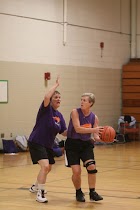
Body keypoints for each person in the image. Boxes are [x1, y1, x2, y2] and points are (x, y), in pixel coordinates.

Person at [28, 76, 67, 203]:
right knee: (45, 166)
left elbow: (64, 132)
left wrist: (80, 132)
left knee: (48, 168)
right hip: (36, 142)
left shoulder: (59, 115)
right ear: (51, 100)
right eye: (56, 97)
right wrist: (56, 85)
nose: (58, 99)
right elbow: (46, 97)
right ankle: (40, 193)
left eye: (60, 98)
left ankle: (35, 186)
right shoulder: (46, 109)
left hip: (48, 145)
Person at [65, 93, 104, 202]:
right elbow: (78, 129)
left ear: (90, 103)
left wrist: (104, 138)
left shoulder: (94, 117)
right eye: (81, 100)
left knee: (91, 167)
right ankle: (78, 192)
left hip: (86, 144)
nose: (81, 102)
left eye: (84, 100)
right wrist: (94, 130)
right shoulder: (75, 112)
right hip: (72, 144)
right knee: (76, 171)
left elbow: (96, 136)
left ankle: (92, 192)